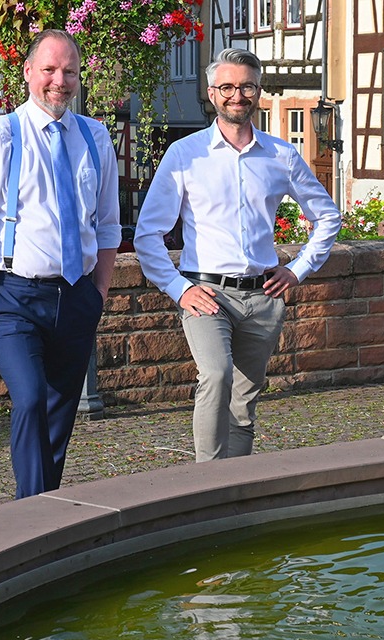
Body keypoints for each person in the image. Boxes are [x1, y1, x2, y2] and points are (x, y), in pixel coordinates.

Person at [133, 48, 342, 463]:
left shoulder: (281, 155)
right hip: (207, 294)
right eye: (227, 87)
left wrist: (298, 270)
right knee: (216, 375)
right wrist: (179, 289)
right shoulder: (184, 154)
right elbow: (147, 234)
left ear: (258, 91)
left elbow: (328, 217)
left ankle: (237, 489)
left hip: (264, 298)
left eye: (246, 86)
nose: (237, 95)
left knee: (244, 401)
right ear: (212, 94)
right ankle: (206, 484)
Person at [0, 29, 121, 498]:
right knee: (28, 401)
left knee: (61, 411)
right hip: (13, 296)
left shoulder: (96, 137)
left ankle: (44, 506)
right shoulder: (0, 135)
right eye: (49, 69)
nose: (59, 81)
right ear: (27, 73)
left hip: (77, 294)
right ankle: (31, 517)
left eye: (68, 71)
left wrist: (98, 293)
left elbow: (107, 226)